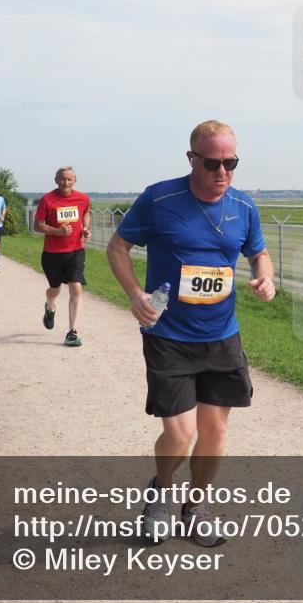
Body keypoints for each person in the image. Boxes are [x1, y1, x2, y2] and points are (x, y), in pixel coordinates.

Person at [107, 120, 275, 547]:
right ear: (192, 158)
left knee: (215, 433)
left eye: (231, 162)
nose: (223, 172)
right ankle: (160, 495)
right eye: (213, 162)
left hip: (221, 335)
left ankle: (195, 507)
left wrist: (265, 277)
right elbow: (117, 247)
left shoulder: (243, 205)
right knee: (181, 434)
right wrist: (133, 294)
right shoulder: (160, 198)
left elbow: (259, 253)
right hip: (168, 335)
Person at [34, 166, 91, 347]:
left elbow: (86, 212)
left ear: (75, 180)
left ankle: (72, 332)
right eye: (62, 179)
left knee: (76, 287)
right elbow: (38, 226)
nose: (65, 182)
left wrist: (85, 227)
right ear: (56, 180)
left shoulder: (82, 198)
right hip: (52, 254)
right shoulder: (47, 200)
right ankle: (50, 306)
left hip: (75, 251)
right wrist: (57, 231)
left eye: (69, 179)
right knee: (55, 289)